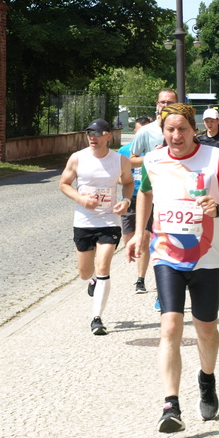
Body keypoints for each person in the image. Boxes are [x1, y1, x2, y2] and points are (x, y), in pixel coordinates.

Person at [126, 103, 219, 433]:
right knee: (170, 327)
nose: (176, 136)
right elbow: (144, 194)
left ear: (194, 130)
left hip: (207, 258)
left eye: (182, 129)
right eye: (169, 130)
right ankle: (171, 405)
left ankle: (206, 379)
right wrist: (139, 232)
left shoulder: (214, 159)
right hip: (167, 256)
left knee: (206, 330)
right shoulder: (153, 160)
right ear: (161, 132)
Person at [59, 119, 134, 335]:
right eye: (89, 133)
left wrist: (126, 201)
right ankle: (91, 280)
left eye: (98, 133)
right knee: (84, 273)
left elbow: (128, 183)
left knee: (103, 268)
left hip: (109, 221)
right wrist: (81, 199)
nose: (93, 137)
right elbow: (64, 184)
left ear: (108, 136)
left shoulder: (120, 160)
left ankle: (97, 318)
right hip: (84, 221)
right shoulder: (78, 158)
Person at [130, 88, 179, 310]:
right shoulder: (147, 132)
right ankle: (160, 291)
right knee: (157, 242)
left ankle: (176, 283)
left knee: (174, 244)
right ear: (157, 104)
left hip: (179, 194)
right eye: (162, 101)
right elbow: (131, 159)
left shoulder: (184, 129)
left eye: (170, 101)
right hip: (154, 195)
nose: (165, 104)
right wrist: (152, 156)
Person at [117, 117, 152, 293]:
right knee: (129, 239)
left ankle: (141, 279)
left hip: (149, 196)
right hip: (130, 198)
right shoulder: (124, 151)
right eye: (140, 133)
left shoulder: (155, 150)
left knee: (144, 237)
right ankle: (137, 267)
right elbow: (117, 176)